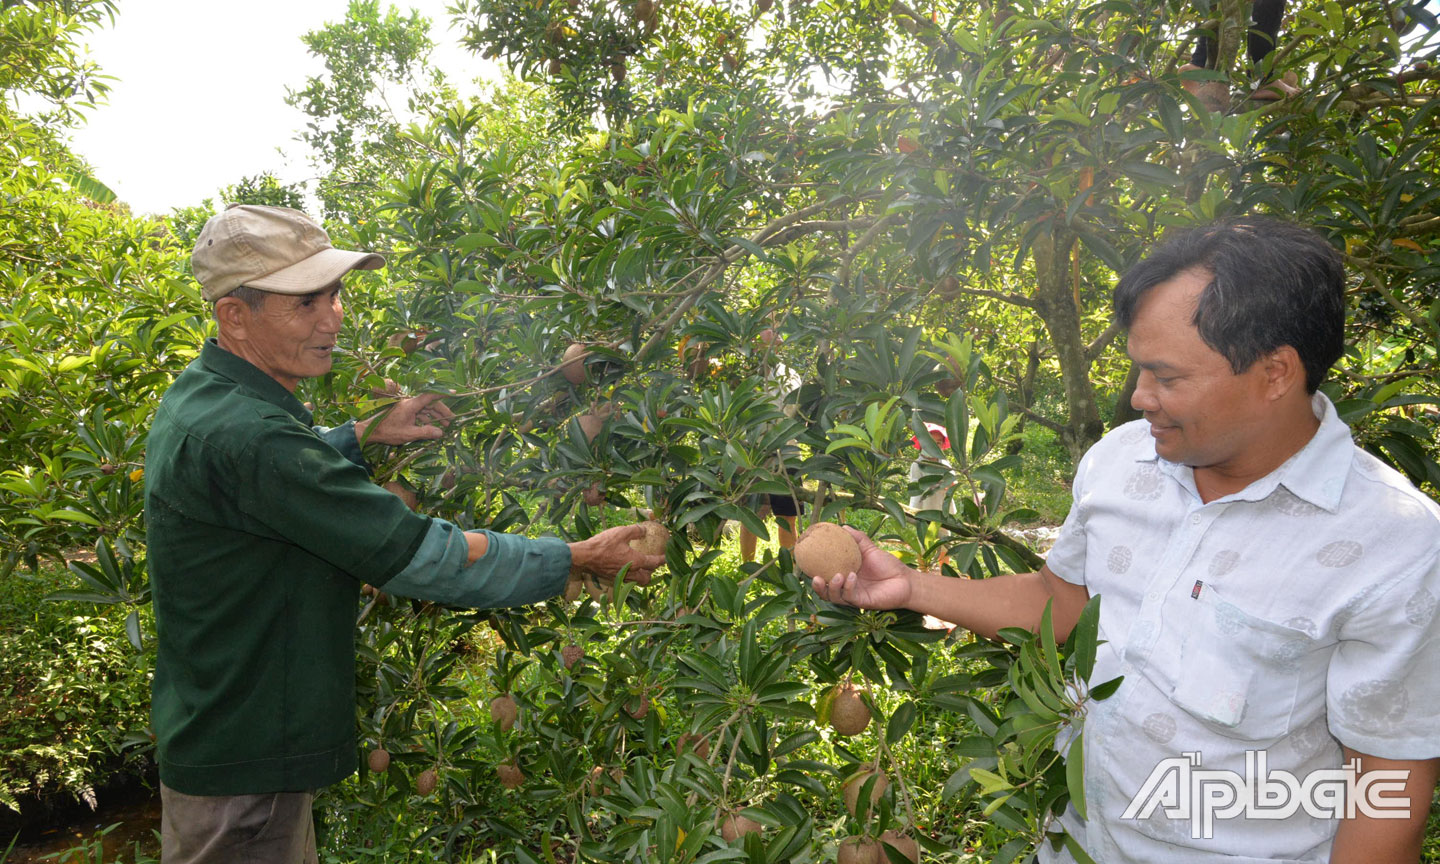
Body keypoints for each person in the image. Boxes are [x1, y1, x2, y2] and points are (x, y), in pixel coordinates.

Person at [810, 217, 1440, 863]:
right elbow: (1065, 601)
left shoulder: (1391, 542)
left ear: (1276, 372)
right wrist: (912, 587)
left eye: (1167, 378)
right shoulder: (1121, 462)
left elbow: (1389, 771)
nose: (1140, 398)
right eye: (1138, 370)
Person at [144, 204, 664, 863]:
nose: (333, 316)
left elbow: (265, 482)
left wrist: (361, 434)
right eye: (306, 303)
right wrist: (575, 558)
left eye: (334, 294)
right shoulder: (251, 436)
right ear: (235, 317)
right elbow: (424, 558)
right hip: (246, 771)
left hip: (229, 736)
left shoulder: (207, 398)